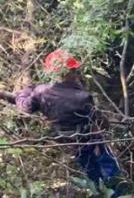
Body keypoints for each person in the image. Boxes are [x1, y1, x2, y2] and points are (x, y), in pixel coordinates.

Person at [15, 50, 123, 189]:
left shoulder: (41, 92)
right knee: (107, 165)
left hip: (68, 141)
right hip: (90, 138)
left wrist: (25, 92)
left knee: (90, 170)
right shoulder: (82, 96)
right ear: (72, 71)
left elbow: (25, 107)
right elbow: (98, 120)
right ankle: (120, 194)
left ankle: (101, 194)